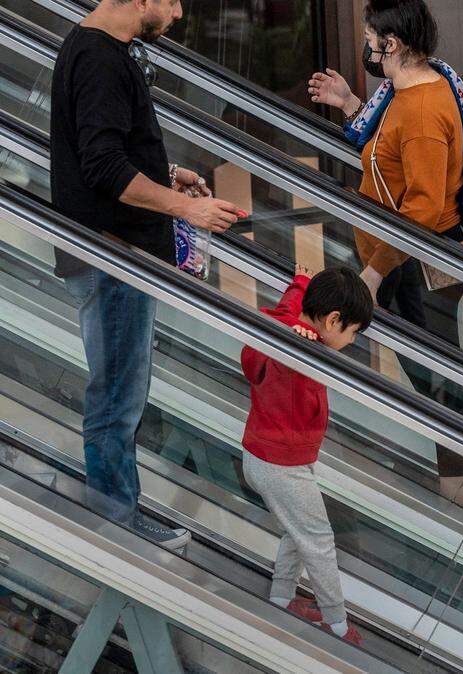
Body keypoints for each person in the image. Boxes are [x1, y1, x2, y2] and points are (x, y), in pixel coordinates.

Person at [51, 0, 243, 548]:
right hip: (113, 260)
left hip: (116, 256)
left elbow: (109, 152)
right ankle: (118, 534)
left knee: (121, 395)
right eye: (173, 0)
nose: (179, 12)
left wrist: (166, 175)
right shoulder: (100, 60)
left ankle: (122, 519)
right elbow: (103, 167)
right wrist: (185, 209)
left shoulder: (101, 51)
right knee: (117, 398)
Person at [307, 0, 463, 506]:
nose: (367, 47)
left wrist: (375, 272)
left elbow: (423, 209)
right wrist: (348, 104)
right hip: (404, 265)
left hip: (412, 270)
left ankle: (458, 496)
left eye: (370, 37)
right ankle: (456, 485)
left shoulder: (422, 109)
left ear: (393, 43)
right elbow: (392, 152)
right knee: (433, 379)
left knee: (439, 385)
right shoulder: (410, 92)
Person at [241, 264, 373, 645]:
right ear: (333, 320)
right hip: (280, 465)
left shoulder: (299, 324)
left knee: (296, 530)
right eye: (353, 333)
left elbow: (289, 307)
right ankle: (336, 623)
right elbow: (274, 330)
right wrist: (293, 343)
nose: (352, 341)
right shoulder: (294, 347)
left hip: (278, 458)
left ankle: (282, 597)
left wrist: (301, 283)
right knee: (318, 539)